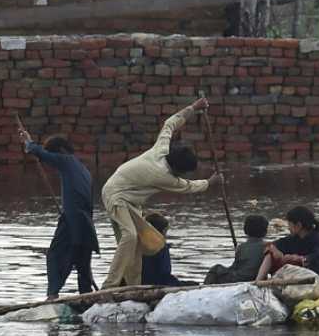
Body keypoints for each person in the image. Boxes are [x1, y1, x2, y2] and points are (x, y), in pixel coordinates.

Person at [100, 98, 221, 288]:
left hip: (129, 200)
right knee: (130, 236)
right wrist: (210, 182)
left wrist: (193, 108)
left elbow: (170, 124)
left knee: (138, 244)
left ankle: (133, 284)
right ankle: (110, 284)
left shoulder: (162, 149)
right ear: (179, 169)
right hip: (115, 195)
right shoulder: (162, 175)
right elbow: (188, 186)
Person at [18, 128, 100, 298]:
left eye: (54, 156)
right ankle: (87, 297)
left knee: (55, 256)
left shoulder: (66, 161)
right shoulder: (84, 170)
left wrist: (28, 142)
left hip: (72, 220)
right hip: (85, 223)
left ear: (61, 152)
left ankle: (52, 296)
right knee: (82, 264)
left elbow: (41, 153)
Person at [255, 206, 319, 281]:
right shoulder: (294, 238)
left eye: (289, 224)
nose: (288, 227)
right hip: (300, 278)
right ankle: (258, 282)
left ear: (298, 225)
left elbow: (318, 259)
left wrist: (297, 259)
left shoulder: (318, 239)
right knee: (270, 254)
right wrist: (273, 248)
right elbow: (274, 244)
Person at [204, 215, 269, 285]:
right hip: (254, 278)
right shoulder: (269, 247)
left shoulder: (241, 247)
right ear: (265, 232)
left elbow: (234, 268)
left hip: (238, 279)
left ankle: (205, 288)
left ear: (245, 230)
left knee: (216, 268)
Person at [141, 213, 195, 287]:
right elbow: (164, 274)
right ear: (162, 231)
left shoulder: (137, 244)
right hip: (157, 284)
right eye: (166, 231)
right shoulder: (161, 247)